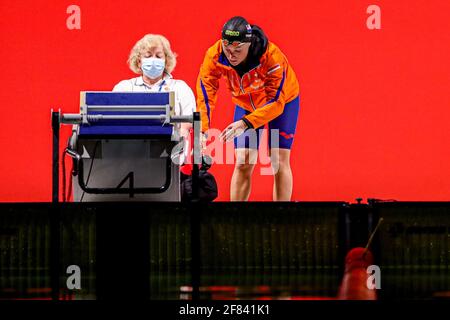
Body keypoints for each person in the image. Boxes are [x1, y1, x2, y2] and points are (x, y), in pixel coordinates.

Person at [196, 16, 300, 201]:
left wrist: (245, 123)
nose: (231, 55)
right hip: (246, 103)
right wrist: (202, 130)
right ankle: (236, 216)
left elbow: (276, 102)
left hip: (281, 102)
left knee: (278, 159)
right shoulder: (215, 54)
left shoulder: (272, 57)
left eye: (238, 50)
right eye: (227, 50)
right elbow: (206, 91)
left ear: (249, 44)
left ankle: (281, 215)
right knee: (243, 160)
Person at [113, 34, 195, 140]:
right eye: (148, 56)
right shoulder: (124, 88)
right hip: (129, 148)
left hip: (171, 148)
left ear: (166, 61)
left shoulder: (180, 88)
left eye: (158, 56)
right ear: (139, 62)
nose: (153, 60)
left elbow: (188, 125)